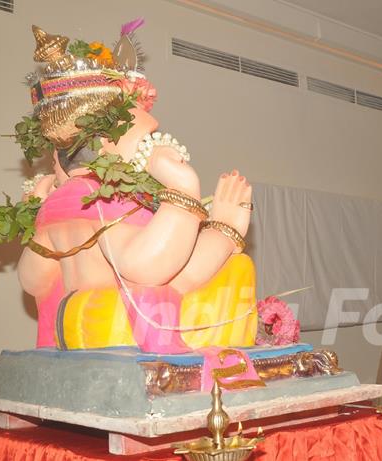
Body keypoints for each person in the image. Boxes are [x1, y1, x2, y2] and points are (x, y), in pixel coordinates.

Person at [15, 26, 257, 354]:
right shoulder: (105, 200)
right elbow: (151, 270)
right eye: (146, 138)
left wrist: (36, 218)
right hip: (125, 334)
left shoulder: (58, 209)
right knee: (235, 267)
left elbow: (33, 279)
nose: (152, 142)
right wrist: (190, 197)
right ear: (105, 145)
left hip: (81, 335)